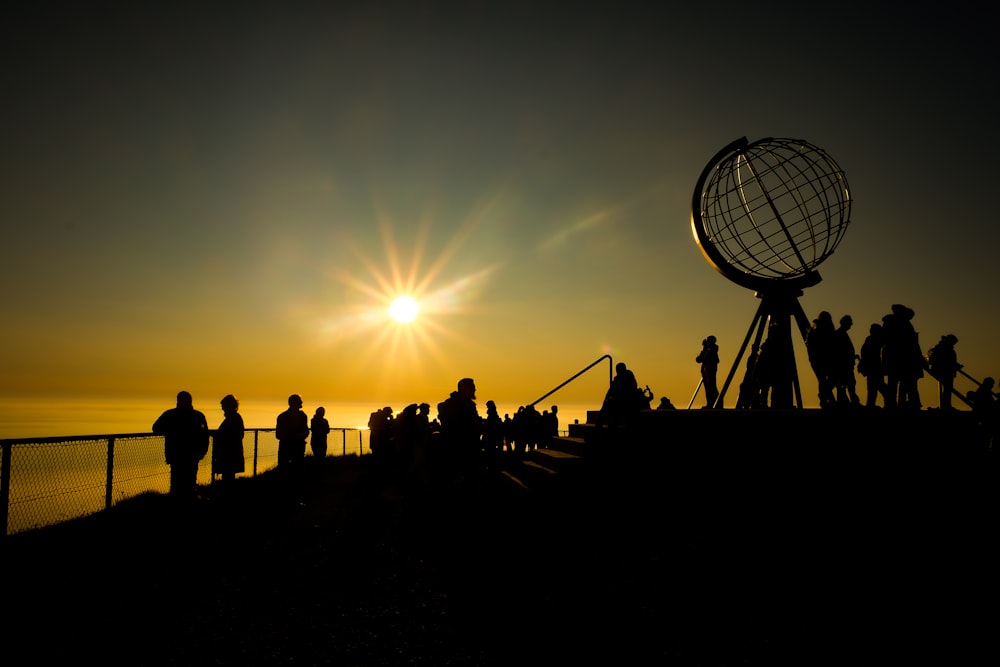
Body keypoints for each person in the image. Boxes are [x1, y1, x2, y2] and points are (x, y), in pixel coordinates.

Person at [152, 391, 209, 499]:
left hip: (178, 455)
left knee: (178, 483)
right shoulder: (197, 416)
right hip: (190, 455)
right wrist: (203, 451)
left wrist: (169, 431)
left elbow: (156, 428)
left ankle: (179, 503)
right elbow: (205, 435)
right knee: (189, 481)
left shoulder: (170, 414)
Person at [437, 378, 482, 485]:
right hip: (457, 449)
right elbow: (452, 427)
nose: (475, 389)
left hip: (469, 448)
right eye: (472, 387)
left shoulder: (469, 404)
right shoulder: (452, 405)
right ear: (464, 389)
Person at [276, 394, 309, 487]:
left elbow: (306, 431)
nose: (301, 403)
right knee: (290, 472)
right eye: (300, 401)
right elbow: (278, 434)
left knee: (296, 472)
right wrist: (296, 437)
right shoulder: (283, 417)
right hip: (290, 448)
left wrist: (299, 436)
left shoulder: (283, 416)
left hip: (291, 448)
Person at [212, 394, 245, 484]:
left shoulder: (232, 419)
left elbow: (234, 435)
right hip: (231, 454)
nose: (222, 408)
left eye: (223, 406)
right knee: (229, 476)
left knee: (228, 477)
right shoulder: (234, 418)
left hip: (229, 454)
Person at [927, 334, 961, 410]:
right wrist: (955, 366)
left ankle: (946, 405)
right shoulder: (944, 349)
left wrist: (956, 365)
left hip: (946, 371)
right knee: (947, 389)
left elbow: (950, 361)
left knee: (948, 389)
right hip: (944, 372)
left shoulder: (944, 348)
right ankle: (946, 406)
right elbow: (946, 361)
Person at [697, 336, 720, 408]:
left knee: (711, 388)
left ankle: (715, 404)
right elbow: (699, 359)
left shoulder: (712, 350)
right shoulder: (708, 350)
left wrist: (704, 348)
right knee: (708, 388)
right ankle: (710, 404)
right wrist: (704, 349)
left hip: (710, 371)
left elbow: (715, 360)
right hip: (706, 371)